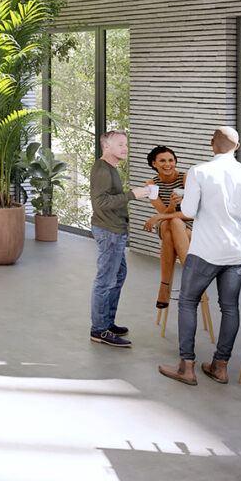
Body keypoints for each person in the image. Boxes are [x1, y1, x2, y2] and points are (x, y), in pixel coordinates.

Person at [159, 127, 241, 386]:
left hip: (205, 251)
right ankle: (220, 367)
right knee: (230, 307)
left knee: (188, 302)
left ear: (212, 145)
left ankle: (186, 367)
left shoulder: (200, 172)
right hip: (235, 252)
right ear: (237, 146)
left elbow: (188, 210)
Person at [89, 131, 154, 348]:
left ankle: (107, 322)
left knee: (118, 274)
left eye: (126, 144)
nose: (125, 148)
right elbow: (100, 203)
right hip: (109, 232)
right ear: (106, 147)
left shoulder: (110, 168)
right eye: (120, 144)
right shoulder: (103, 170)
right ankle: (99, 330)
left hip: (114, 231)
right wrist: (131, 195)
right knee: (105, 281)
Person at [141, 145, 192, 309]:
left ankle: (164, 287)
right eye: (162, 160)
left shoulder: (185, 178)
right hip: (167, 223)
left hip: (188, 224)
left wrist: (160, 216)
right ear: (154, 163)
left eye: (171, 160)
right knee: (172, 223)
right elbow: (164, 212)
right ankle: (190, 276)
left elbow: (191, 213)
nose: (168, 164)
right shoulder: (150, 186)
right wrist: (170, 206)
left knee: (172, 231)